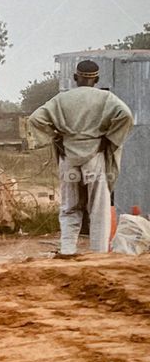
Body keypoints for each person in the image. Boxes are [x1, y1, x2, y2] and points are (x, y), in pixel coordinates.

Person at [29, 59, 134, 256]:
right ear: (97, 79)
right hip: (95, 156)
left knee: (70, 206)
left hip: (68, 156)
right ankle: (98, 254)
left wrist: (56, 138)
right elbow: (126, 115)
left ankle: (68, 250)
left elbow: (36, 119)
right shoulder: (106, 98)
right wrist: (109, 138)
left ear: (76, 78)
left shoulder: (61, 99)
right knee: (98, 208)